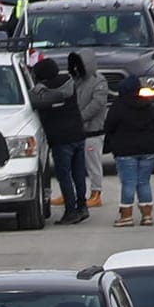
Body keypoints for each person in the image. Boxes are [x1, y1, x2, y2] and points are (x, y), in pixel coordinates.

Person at [33, 58, 89, 224]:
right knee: (79, 173)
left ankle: (70, 211)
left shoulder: (42, 92)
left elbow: (34, 101)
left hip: (60, 139)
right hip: (78, 134)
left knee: (64, 176)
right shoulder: (69, 83)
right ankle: (82, 206)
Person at [105, 76, 154, 227]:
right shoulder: (147, 105)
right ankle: (147, 215)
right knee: (144, 182)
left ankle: (126, 216)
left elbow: (109, 125)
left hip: (125, 151)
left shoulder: (118, 106)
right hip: (148, 149)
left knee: (128, 183)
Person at [69, 51, 109, 210]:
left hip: (93, 130)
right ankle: (70, 193)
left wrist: (78, 118)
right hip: (77, 131)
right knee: (73, 164)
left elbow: (96, 105)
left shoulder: (99, 82)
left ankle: (96, 193)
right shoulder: (76, 81)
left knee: (93, 163)